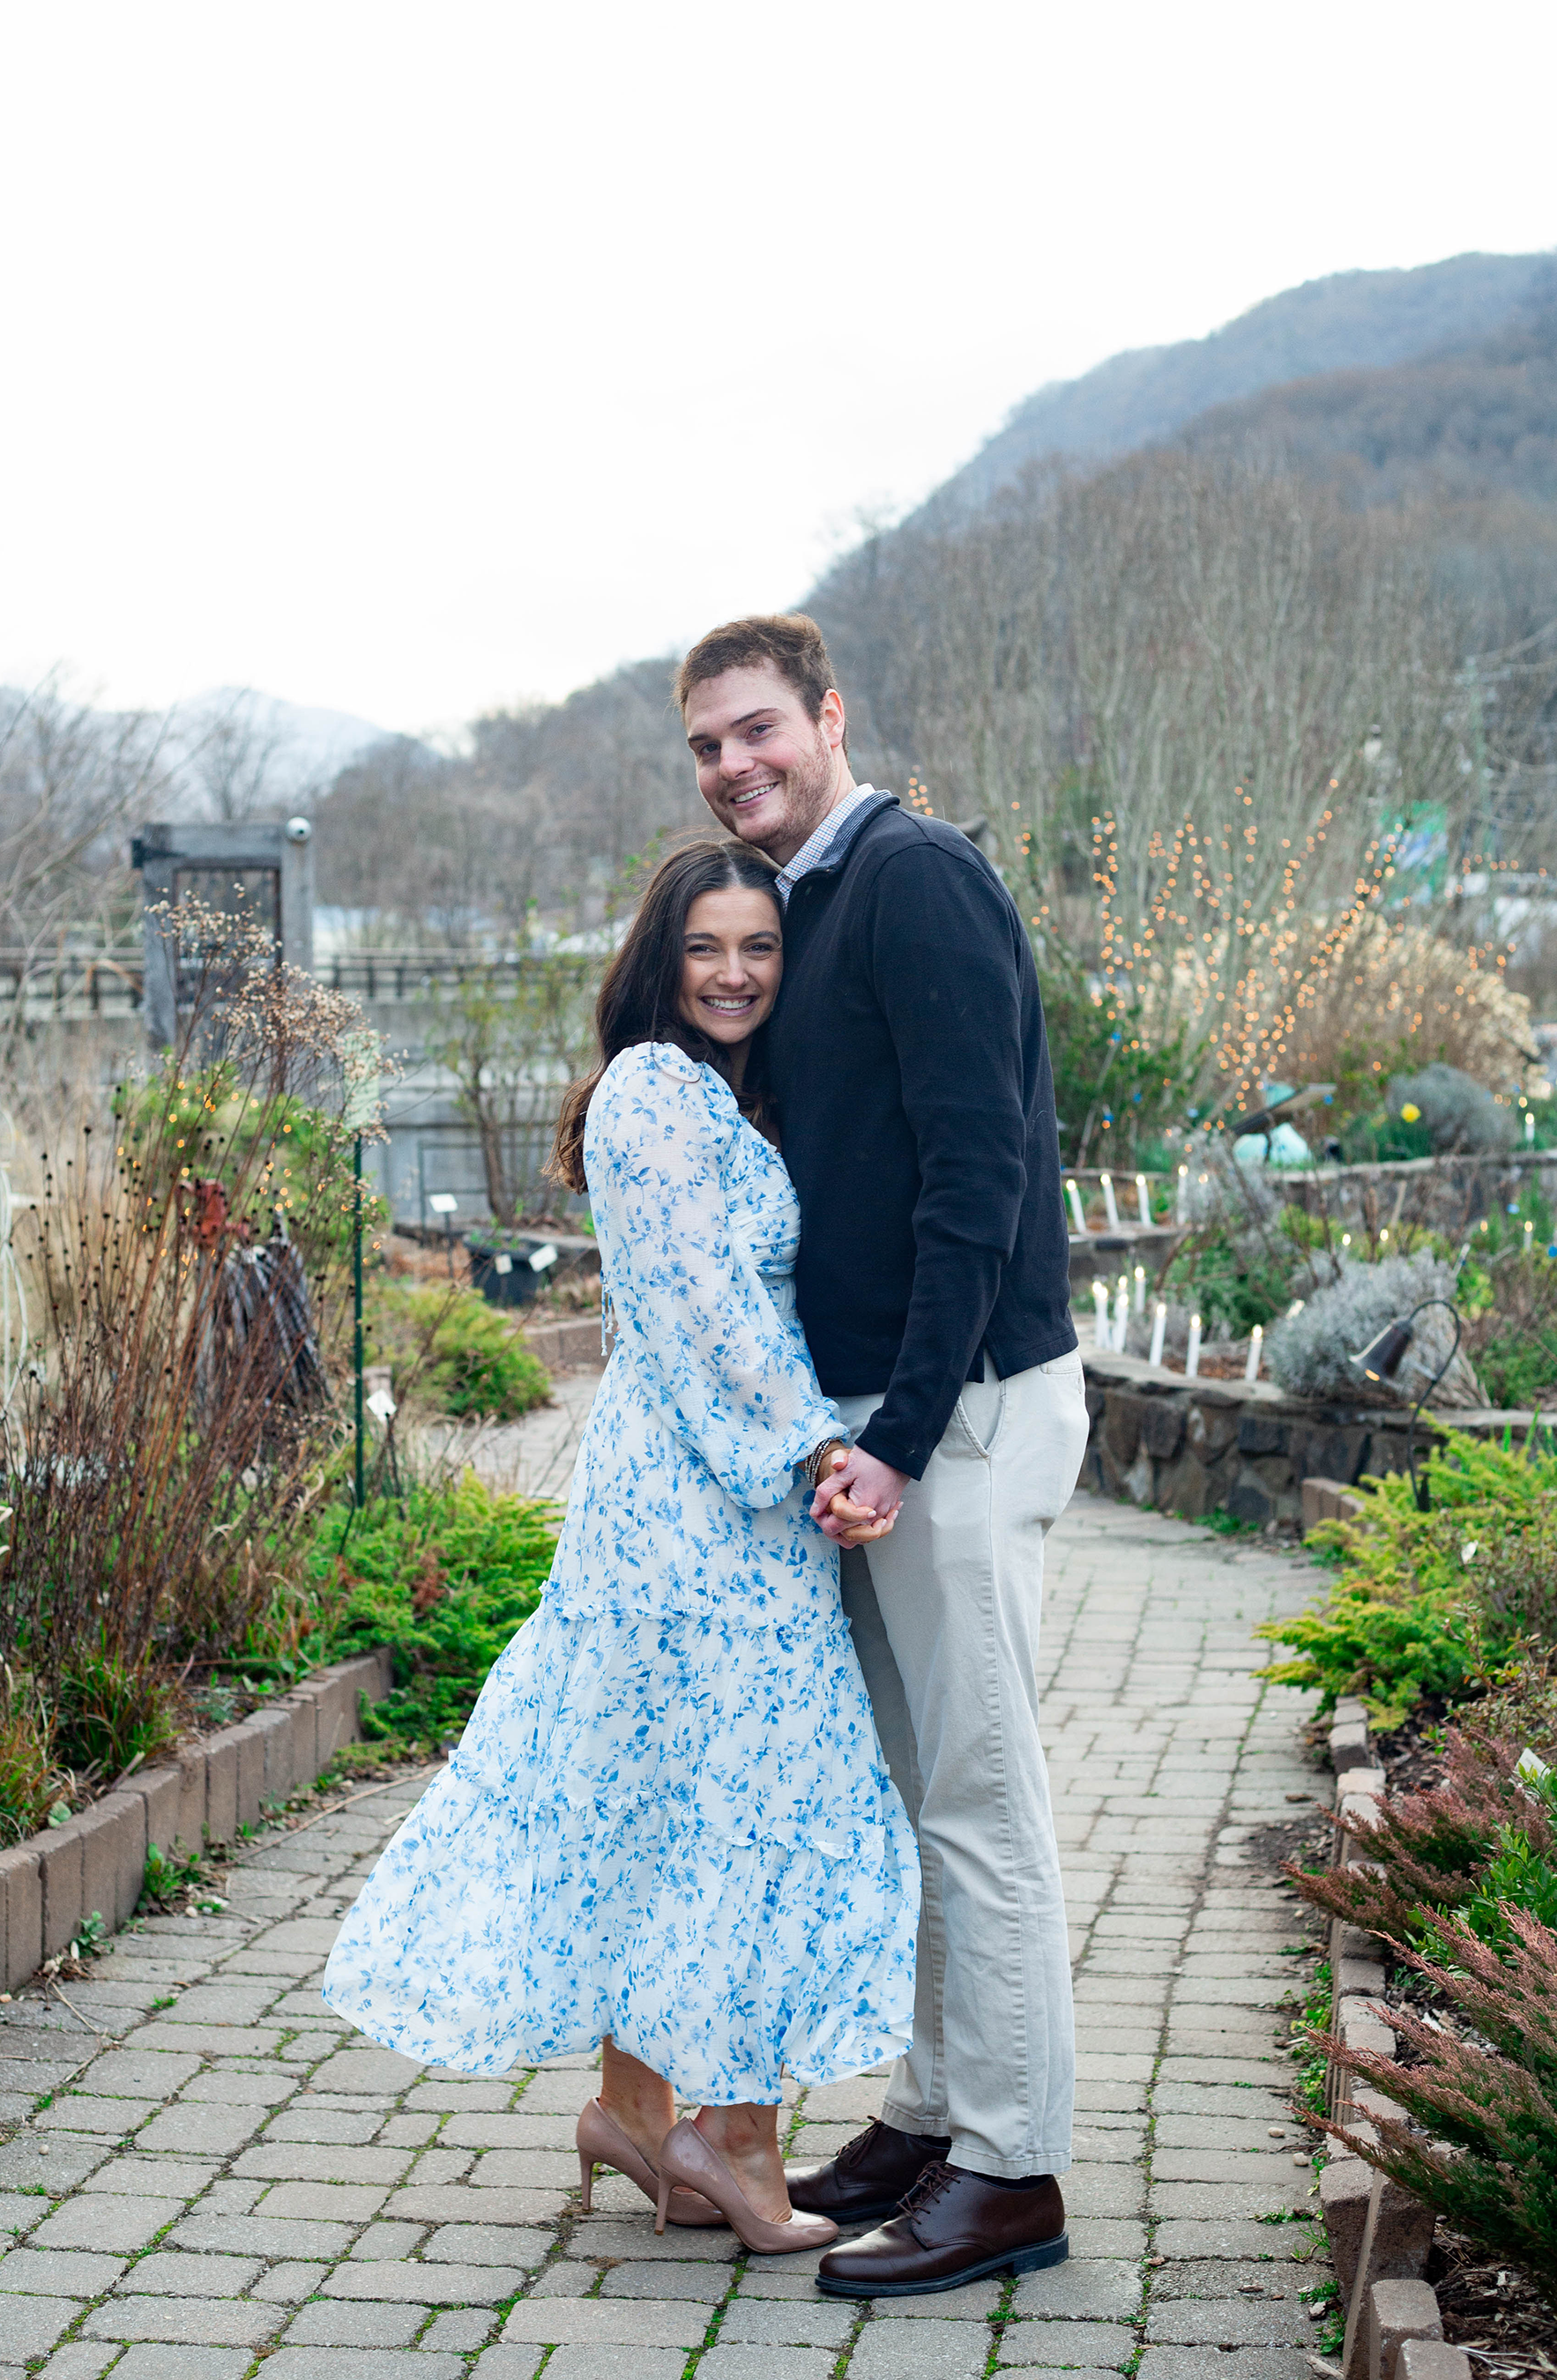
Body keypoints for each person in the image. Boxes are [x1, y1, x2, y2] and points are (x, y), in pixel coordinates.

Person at [320, 838, 920, 2257]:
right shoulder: (655, 1087)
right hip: (698, 1505)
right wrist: (817, 1451)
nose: (733, 974)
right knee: (749, 1794)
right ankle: (731, 2138)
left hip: (726, 1498)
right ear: (662, 960)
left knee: (685, 1787)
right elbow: (702, 1301)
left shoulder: (727, 1091)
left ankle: (642, 2116)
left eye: (758, 949)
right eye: (706, 948)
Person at [678, 613, 1089, 2298]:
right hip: (889, 1423)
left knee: (983, 1802)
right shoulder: (810, 904)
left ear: (831, 716)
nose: (734, 765)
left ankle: (1013, 2172)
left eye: (759, 728)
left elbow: (978, 1181)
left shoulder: (914, 878)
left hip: (966, 1411)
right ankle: (935, 2113)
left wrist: (905, 1437)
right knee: (922, 1802)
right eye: (706, 746)